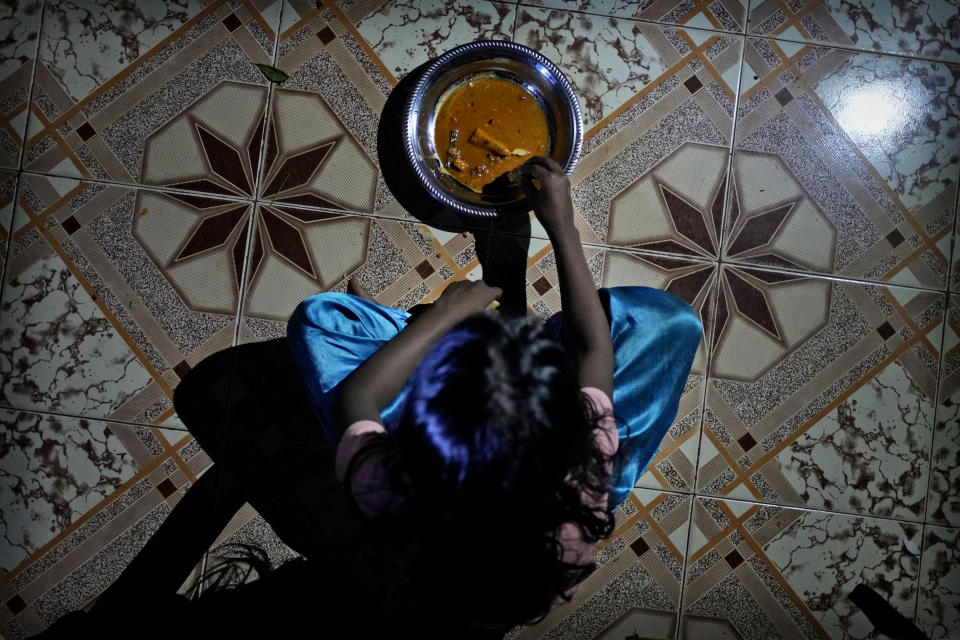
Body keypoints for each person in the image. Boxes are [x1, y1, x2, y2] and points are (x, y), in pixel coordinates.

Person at [30, 156, 701, 639]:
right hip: (473, 591)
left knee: (323, 322)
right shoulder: (581, 489)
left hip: (425, 553)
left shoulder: (392, 489)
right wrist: (564, 230)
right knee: (672, 326)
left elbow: (360, 393)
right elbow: (595, 353)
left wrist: (445, 317)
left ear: (429, 424)